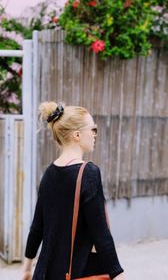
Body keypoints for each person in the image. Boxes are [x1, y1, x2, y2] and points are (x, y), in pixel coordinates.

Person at [22, 102, 125, 280]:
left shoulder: (49, 172)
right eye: (93, 129)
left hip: (43, 273)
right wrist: (118, 274)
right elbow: (100, 233)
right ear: (77, 135)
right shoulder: (88, 173)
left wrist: (26, 269)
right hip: (74, 273)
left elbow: (37, 227)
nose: (94, 135)